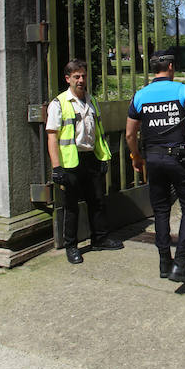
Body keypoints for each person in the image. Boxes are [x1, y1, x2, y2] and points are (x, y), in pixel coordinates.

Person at [126, 50, 185, 289]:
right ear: (171, 66)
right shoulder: (180, 91)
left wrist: (136, 156)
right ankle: (181, 263)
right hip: (178, 159)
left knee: (161, 210)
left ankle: (164, 262)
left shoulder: (141, 95)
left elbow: (129, 133)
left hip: (153, 160)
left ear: (154, 68)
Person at [46, 58, 123, 265]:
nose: (81, 80)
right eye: (76, 77)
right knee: (71, 206)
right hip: (71, 160)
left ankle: (99, 238)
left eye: (83, 76)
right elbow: (52, 136)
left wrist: (103, 157)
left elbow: (97, 133)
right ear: (68, 79)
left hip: (92, 158)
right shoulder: (59, 103)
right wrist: (56, 168)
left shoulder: (92, 101)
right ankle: (71, 247)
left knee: (97, 201)